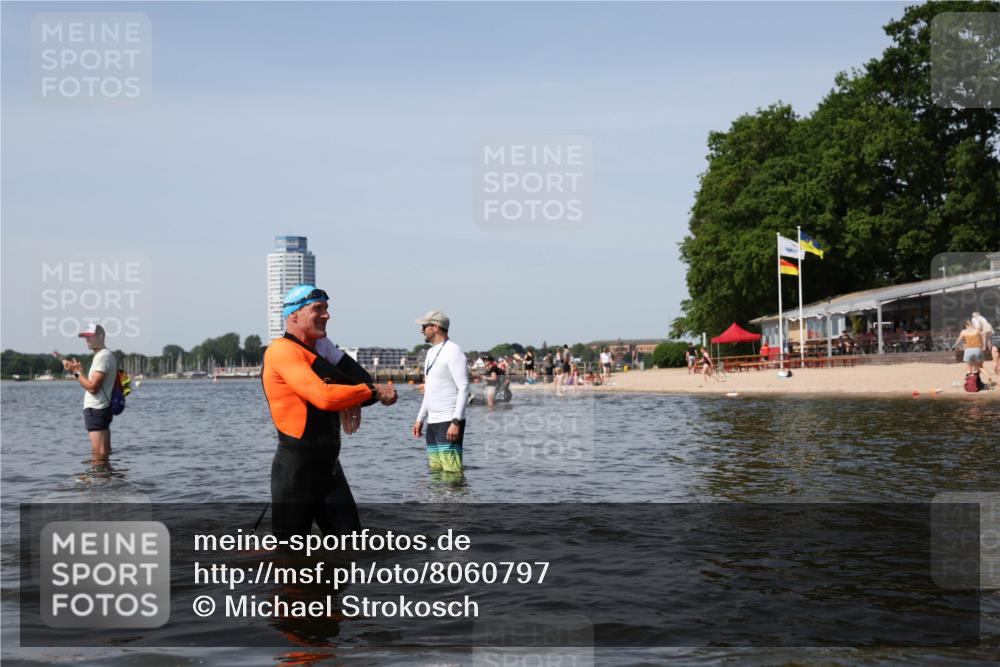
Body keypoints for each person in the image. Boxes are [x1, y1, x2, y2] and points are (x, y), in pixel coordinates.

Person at [262, 285, 397, 539]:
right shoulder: (282, 351)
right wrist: (371, 392)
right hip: (296, 473)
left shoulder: (320, 349)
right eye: (317, 309)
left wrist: (355, 396)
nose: (326, 315)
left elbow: (360, 380)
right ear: (294, 315)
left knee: (352, 545)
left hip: (329, 470)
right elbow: (324, 397)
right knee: (290, 558)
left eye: (326, 309)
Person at [412, 310, 470, 473]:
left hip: (449, 421)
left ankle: (455, 499)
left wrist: (456, 422)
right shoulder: (430, 353)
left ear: (435, 327)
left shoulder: (453, 351)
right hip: (433, 421)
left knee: (452, 473)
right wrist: (420, 418)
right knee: (436, 472)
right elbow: (429, 390)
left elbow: (464, 387)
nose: (421, 330)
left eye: (424, 326)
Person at [62, 323, 118, 463]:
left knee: (98, 454)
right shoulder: (106, 355)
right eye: (85, 337)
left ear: (101, 335)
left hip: (96, 409)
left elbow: (93, 388)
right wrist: (80, 373)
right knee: (104, 452)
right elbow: (96, 384)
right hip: (102, 409)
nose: (87, 340)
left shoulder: (102, 356)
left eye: (90, 336)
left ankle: (99, 482)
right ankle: (106, 481)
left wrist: (75, 373)